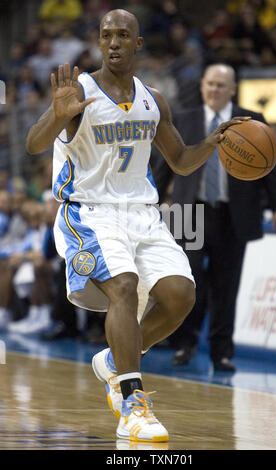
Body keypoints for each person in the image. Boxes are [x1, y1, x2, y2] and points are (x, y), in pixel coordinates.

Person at [26, 10, 248, 442]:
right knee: (123, 286)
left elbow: (181, 160)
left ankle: (115, 360)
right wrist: (55, 117)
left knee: (180, 295)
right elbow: (35, 144)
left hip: (142, 214)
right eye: (106, 34)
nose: (113, 42)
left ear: (138, 44)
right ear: (98, 41)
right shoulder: (79, 92)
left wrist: (214, 142)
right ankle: (132, 401)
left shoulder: (154, 99)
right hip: (89, 211)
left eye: (122, 35)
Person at [170, 63, 276, 370]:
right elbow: (164, 164)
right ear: (201, 85)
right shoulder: (184, 120)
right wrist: (149, 202)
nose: (214, 90)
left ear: (233, 89)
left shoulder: (254, 122)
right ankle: (184, 344)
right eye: (210, 84)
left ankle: (222, 353)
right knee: (188, 283)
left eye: (221, 85)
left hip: (233, 212)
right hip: (188, 211)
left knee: (226, 287)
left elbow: (274, 168)